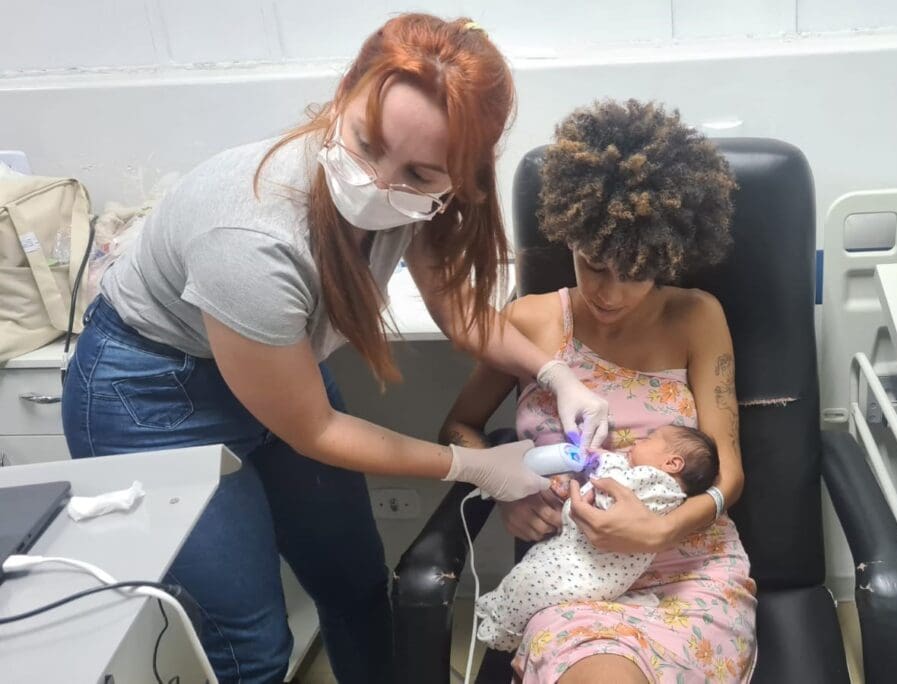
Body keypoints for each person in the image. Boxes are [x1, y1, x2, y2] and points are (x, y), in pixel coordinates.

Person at [60, 14, 610, 684]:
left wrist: (556, 373)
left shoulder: (417, 208)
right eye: (367, 144)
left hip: (279, 372)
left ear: (457, 179)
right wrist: (476, 467)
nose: (378, 183)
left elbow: (459, 313)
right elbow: (314, 429)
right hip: (152, 394)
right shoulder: (251, 238)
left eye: (419, 174)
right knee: (250, 642)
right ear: (347, 89)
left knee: (356, 584)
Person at [441, 99, 757, 683]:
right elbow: (459, 426)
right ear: (571, 237)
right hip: (573, 578)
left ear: (668, 256)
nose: (609, 293)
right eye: (593, 265)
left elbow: (729, 474)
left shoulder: (697, 318)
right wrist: (504, 489)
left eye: (634, 273)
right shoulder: (530, 322)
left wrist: (661, 529)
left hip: (690, 567)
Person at [475, 425, 720, 652]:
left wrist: (607, 459)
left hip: (589, 569)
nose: (636, 442)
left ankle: (502, 631)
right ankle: (499, 614)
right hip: (583, 559)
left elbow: (610, 497)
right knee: (530, 573)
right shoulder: (658, 490)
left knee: (531, 585)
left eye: (648, 439)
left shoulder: (658, 482)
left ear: (672, 463)